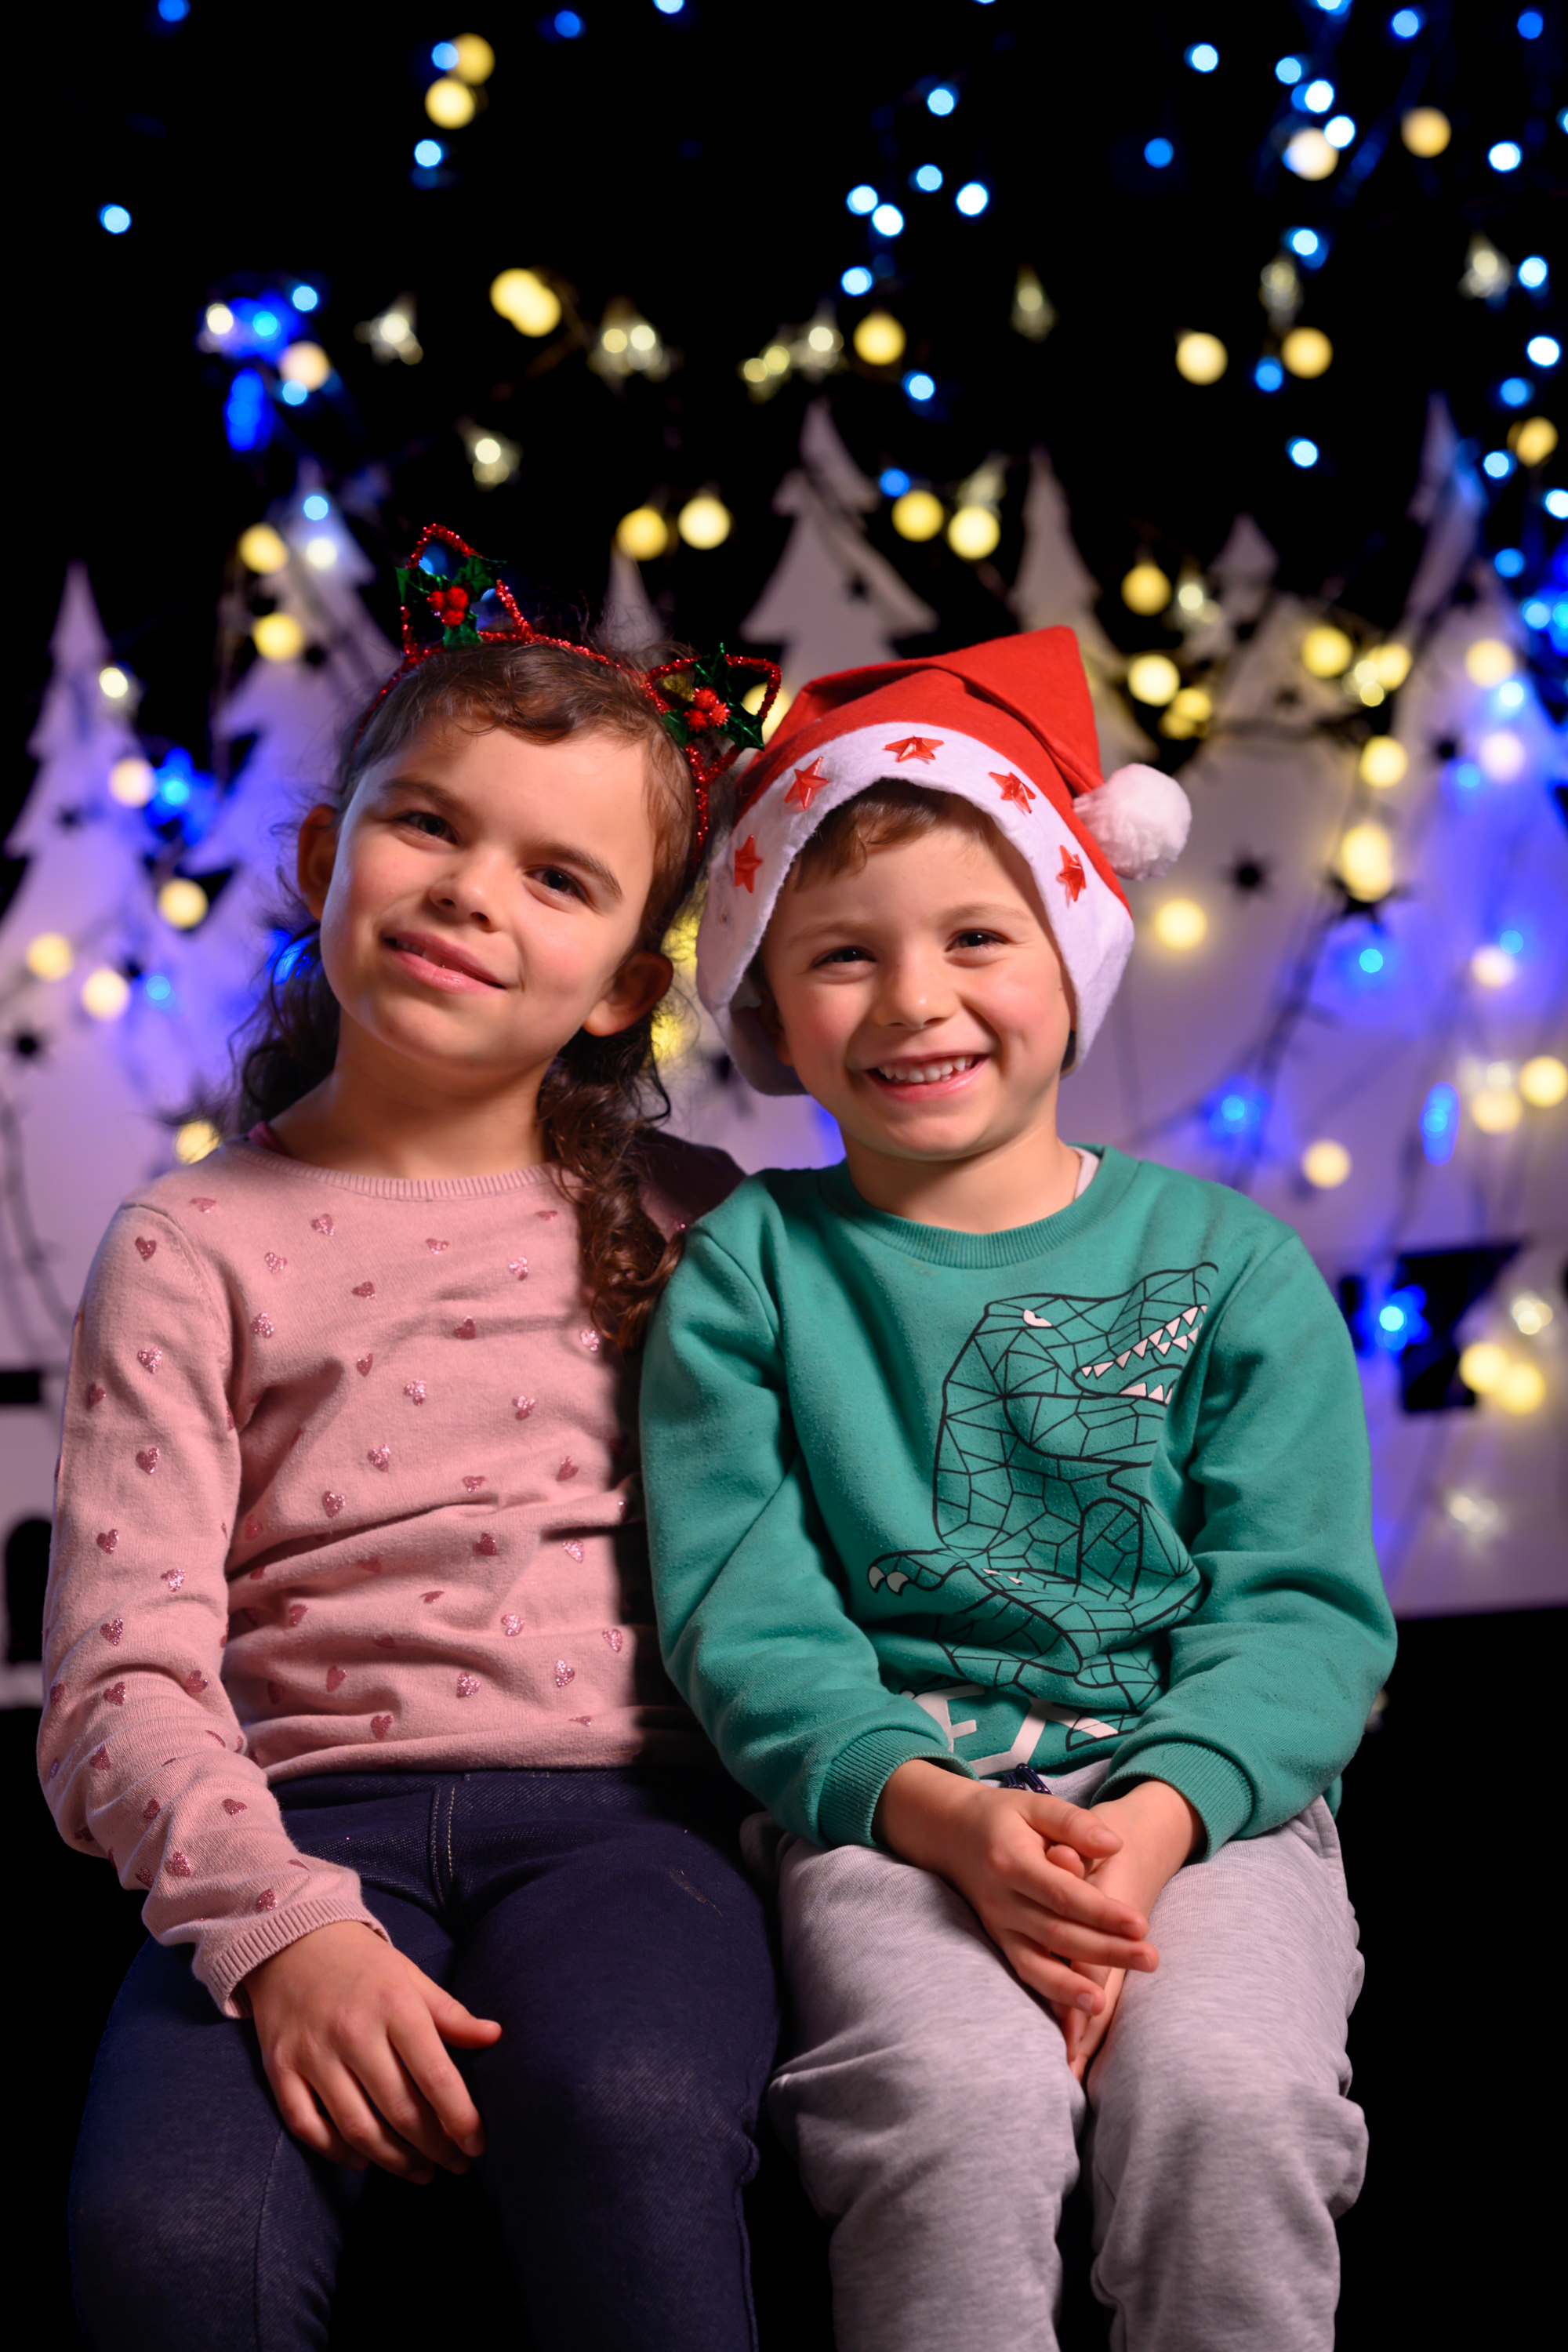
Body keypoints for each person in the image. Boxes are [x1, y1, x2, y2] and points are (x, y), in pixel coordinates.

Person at [41, 529, 786, 2352]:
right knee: (170, 2236)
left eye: (558, 876)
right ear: (326, 859)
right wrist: (285, 1927)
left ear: (622, 985)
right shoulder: (188, 1242)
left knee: (625, 2105)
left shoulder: (702, 1223)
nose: (470, 893)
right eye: (429, 827)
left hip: (626, 1827)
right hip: (298, 1825)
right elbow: (119, 1677)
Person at [641, 627, 1397, 2352]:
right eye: (844, 955)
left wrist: (1159, 1823)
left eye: (976, 936)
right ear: (768, 1009)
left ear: (1073, 948)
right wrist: (945, 1819)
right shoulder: (750, 1274)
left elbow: (1298, 1613)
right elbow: (744, 1618)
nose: (915, 1000)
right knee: (957, 2114)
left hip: (1198, 1814)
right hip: (897, 1814)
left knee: (1230, 2103)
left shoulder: (1234, 1268)